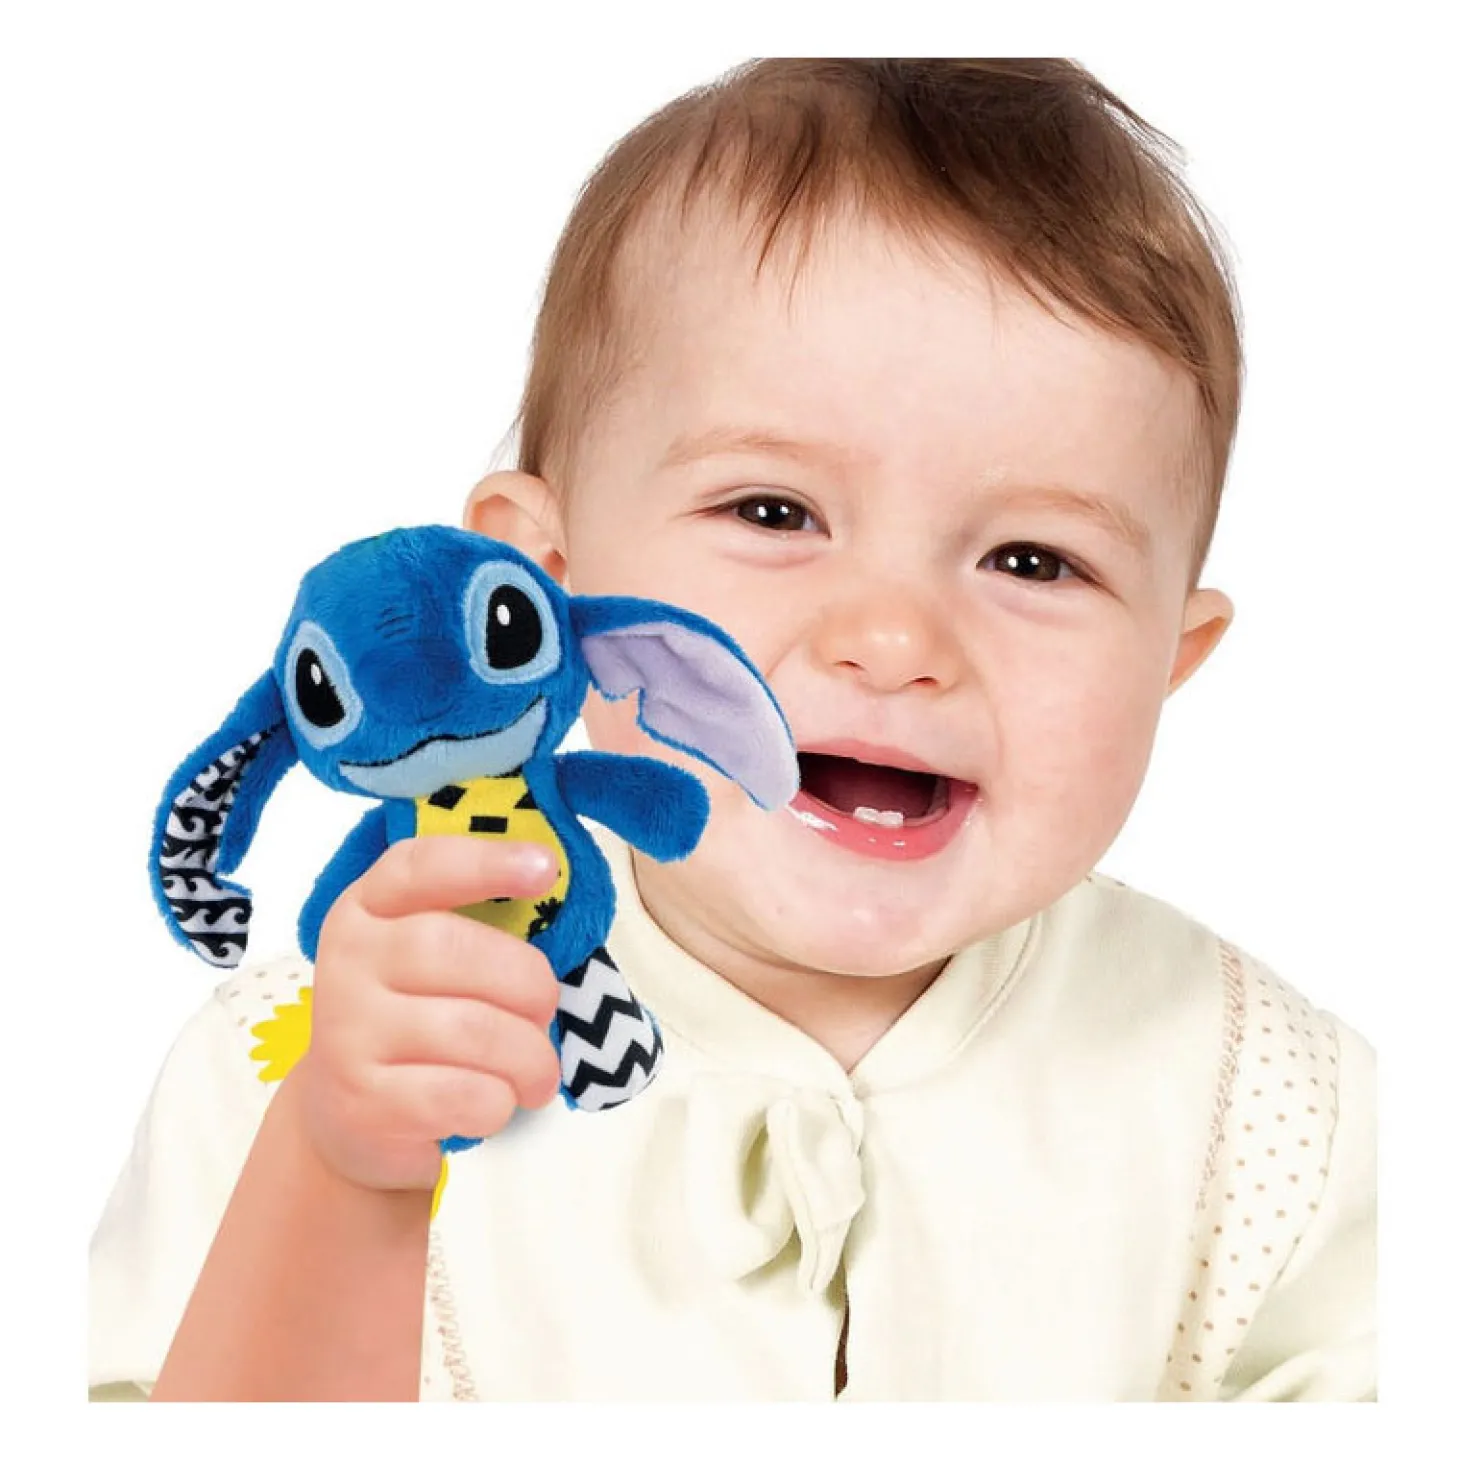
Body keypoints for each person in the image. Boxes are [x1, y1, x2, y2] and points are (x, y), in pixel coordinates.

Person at [88, 57, 1376, 1402]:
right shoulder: (315, 1053)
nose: (895, 641)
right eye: (774, 513)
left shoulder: (1275, 1110)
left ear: (1172, 658)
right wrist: (341, 1173)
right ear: (542, 584)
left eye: (1034, 562)